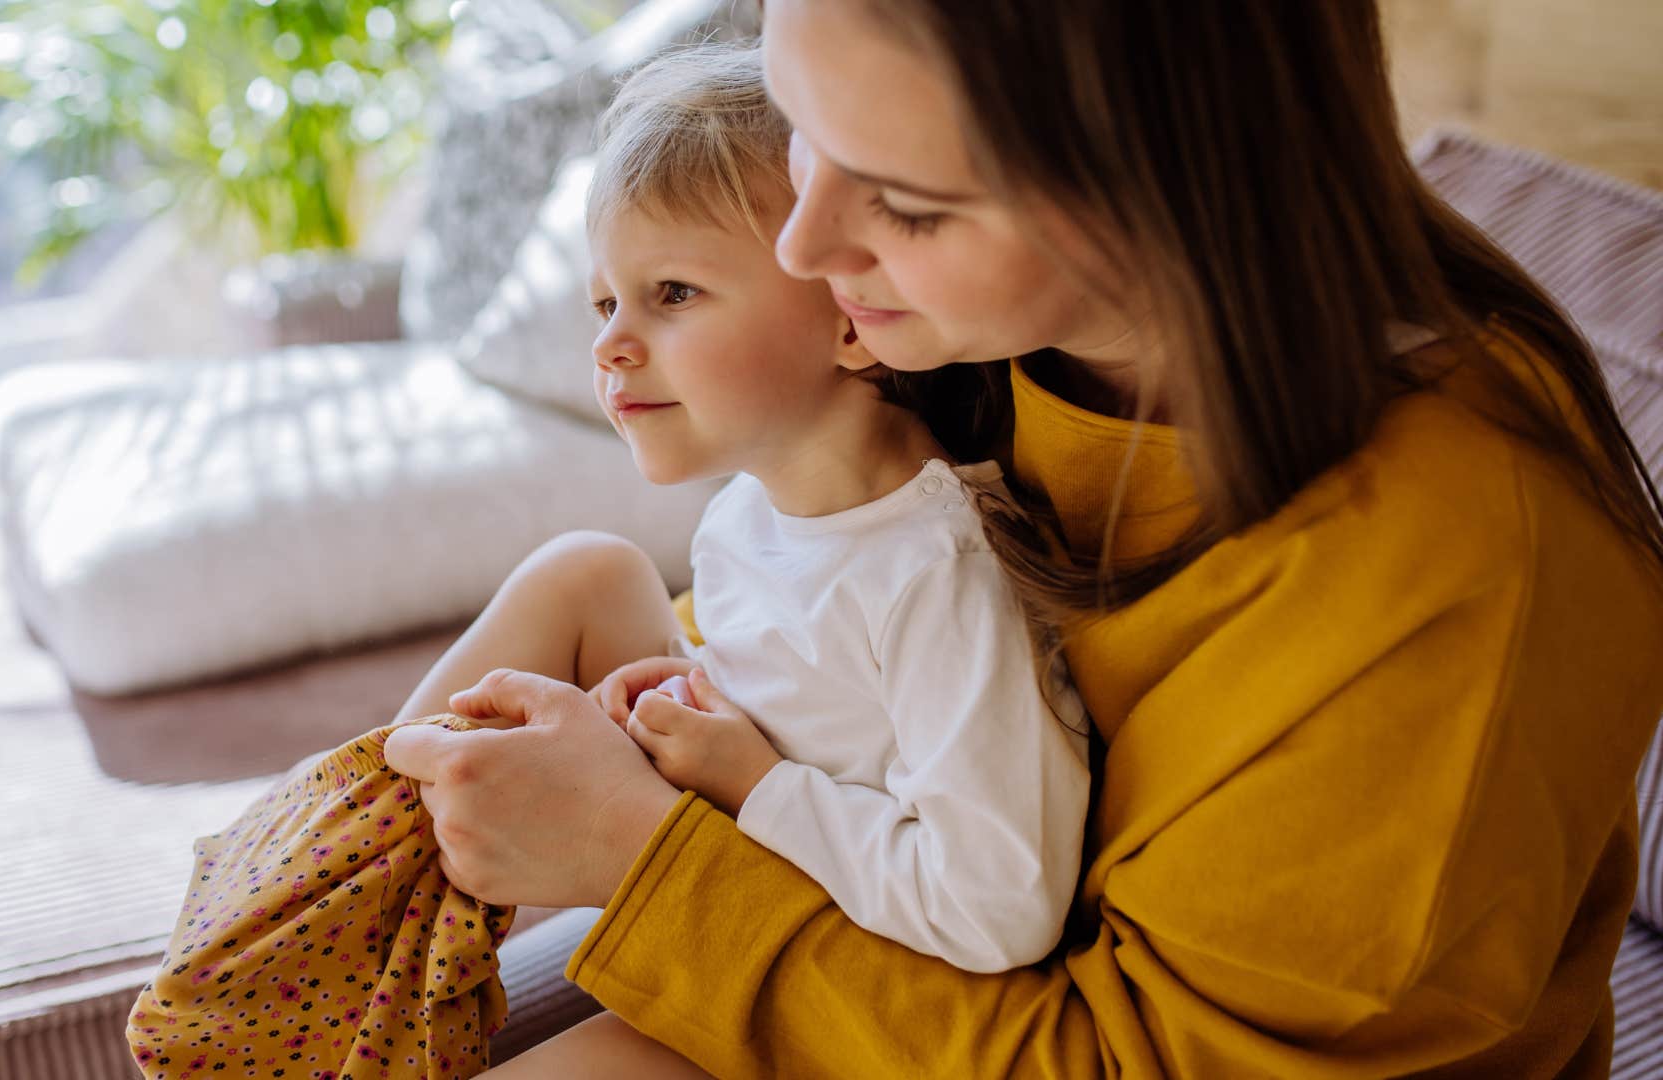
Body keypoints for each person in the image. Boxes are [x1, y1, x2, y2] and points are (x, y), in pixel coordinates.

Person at [389, 2, 1663, 1075]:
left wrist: (638, 852)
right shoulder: (987, 336)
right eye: (805, 136)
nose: (803, 247)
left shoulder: (1452, 569)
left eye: (904, 199)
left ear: (1162, 171)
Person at [390, 41, 1092, 990]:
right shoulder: (747, 517)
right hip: (766, 861)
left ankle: (349, 908)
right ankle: (351, 873)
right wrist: (690, 701)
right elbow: (817, 711)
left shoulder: (935, 571)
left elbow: (997, 908)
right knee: (585, 570)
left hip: (866, 973)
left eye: (672, 292)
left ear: (851, 314)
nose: (608, 344)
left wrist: (753, 782)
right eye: (605, 301)